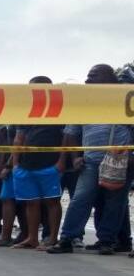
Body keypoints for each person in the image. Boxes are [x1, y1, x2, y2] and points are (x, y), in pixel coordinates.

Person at [50, 65, 132, 254]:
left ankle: (107, 241)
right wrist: (75, 158)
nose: (87, 80)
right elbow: (71, 133)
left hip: (119, 161)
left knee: (115, 203)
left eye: (93, 76)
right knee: (81, 199)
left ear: (109, 79)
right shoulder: (83, 103)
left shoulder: (125, 100)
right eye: (87, 76)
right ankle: (67, 238)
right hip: (90, 161)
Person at [10, 77, 64, 250]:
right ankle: (32, 238)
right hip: (26, 165)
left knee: (52, 202)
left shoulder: (59, 109)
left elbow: (67, 137)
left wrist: (61, 161)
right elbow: (18, 138)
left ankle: (52, 238)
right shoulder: (26, 111)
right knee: (31, 202)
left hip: (50, 164)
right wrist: (15, 164)